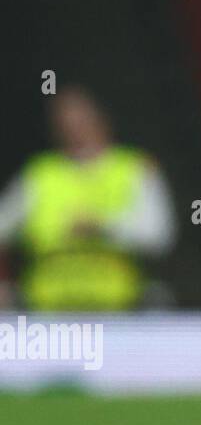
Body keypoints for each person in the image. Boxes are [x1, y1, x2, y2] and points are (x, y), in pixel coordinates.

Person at [0, 86, 176, 310]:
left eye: (81, 120)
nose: (74, 129)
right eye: (65, 122)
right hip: (48, 315)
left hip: (122, 311)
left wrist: (103, 227)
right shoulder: (40, 174)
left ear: (101, 119)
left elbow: (159, 236)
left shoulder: (135, 168)